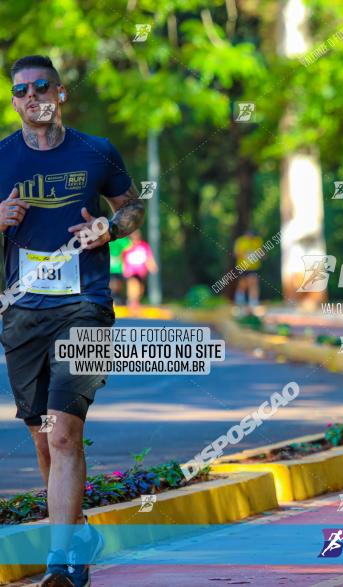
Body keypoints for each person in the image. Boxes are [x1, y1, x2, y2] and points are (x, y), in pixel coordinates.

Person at [0, 55, 146, 587]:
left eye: (42, 85)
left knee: (64, 433)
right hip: (21, 312)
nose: (32, 95)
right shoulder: (1, 158)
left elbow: (132, 208)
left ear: (60, 93)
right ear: (14, 99)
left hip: (85, 304)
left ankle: (62, 564)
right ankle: (76, 531)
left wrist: (110, 226)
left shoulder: (96, 151)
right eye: (21, 89)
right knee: (43, 436)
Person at [121, 229, 157, 310]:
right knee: (133, 285)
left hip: (141, 272)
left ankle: (135, 301)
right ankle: (132, 302)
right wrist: (124, 268)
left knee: (140, 288)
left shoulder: (144, 246)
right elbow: (123, 257)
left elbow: (149, 257)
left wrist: (152, 266)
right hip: (131, 271)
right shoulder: (128, 246)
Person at [234, 229, 262, 307]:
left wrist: (257, 255)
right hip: (242, 266)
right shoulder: (240, 241)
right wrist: (245, 254)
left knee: (253, 282)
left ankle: (253, 302)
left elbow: (263, 254)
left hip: (254, 267)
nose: (250, 237)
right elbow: (236, 253)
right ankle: (239, 300)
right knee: (243, 284)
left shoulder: (257, 241)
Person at [108, 233, 131, 306]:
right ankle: (113, 299)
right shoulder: (108, 238)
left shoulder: (120, 239)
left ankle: (117, 299)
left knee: (117, 284)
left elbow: (129, 248)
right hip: (112, 267)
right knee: (113, 283)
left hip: (119, 267)